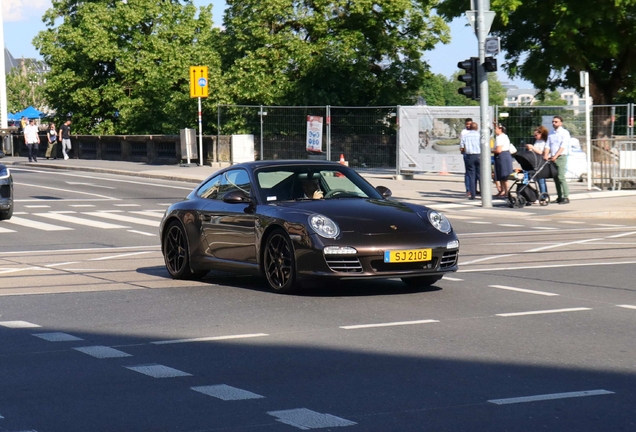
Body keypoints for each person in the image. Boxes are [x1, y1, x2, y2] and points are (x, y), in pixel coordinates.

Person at [544, 115, 570, 204]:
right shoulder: (551, 133)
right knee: (555, 178)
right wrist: (546, 154)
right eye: (553, 122)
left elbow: (563, 146)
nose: (554, 123)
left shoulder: (564, 133)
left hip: (561, 157)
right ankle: (559, 196)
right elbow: (548, 145)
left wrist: (556, 156)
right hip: (552, 158)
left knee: (561, 176)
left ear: (560, 123)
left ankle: (566, 196)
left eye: (556, 122)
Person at [459, 121, 480, 200]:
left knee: (471, 175)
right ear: (477, 128)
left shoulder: (465, 136)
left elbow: (461, 147)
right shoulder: (480, 136)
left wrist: (463, 151)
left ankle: (472, 194)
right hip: (479, 156)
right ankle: (483, 194)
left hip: (469, 156)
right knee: (480, 175)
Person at [526, 125, 549, 195]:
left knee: (541, 180)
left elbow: (542, 152)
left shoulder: (544, 142)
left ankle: (543, 195)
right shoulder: (537, 141)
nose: (535, 137)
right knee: (539, 180)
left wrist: (532, 148)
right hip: (536, 161)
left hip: (541, 161)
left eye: (536, 135)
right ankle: (542, 194)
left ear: (541, 134)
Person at [492, 124, 514, 198]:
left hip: (502, 156)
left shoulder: (500, 138)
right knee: (501, 175)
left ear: (500, 129)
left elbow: (498, 150)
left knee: (504, 175)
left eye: (496, 128)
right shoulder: (505, 136)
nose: (495, 130)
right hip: (504, 156)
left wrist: (491, 150)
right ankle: (503, 191)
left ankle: (506, 192)